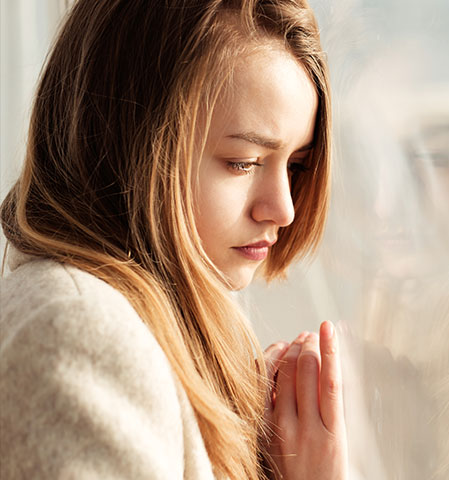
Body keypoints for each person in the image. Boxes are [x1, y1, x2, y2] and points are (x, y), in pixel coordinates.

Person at [0, 1, 347, 478]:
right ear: (126, 142)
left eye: (296, 166)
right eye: (242, 162)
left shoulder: (178, 328)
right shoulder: (78, 330)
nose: (284, 209)